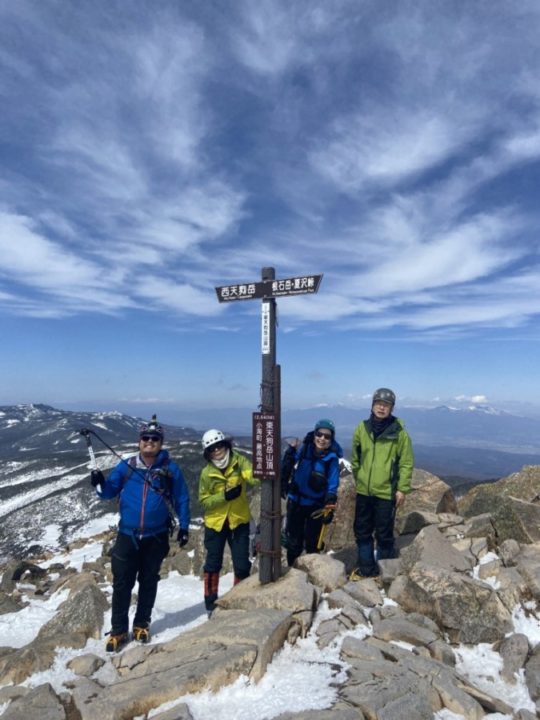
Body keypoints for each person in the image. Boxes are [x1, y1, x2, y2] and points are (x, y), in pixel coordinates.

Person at [90, 415, 190, 651]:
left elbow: (182, 498)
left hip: (156, 535)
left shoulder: (170, 469)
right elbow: (108, 492)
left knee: (148, 580)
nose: (149, 442)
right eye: (146, 438)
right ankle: (118, 631)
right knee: (122, 583)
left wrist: (184, 526)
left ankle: (141, 625)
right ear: (139, 441)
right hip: (128, 535)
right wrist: (99, 483)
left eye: (155, 438)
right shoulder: (127, 466)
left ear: (161, 443)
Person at [351, 388, 413, 579]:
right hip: (364, 491)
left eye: (386, 405)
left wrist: (402, 489)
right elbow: (356, 457)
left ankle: (386, 574)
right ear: (372, 405)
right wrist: (360, 478)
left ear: (391, 408)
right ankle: (366, 570)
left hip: (386, 492)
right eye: (378, 403)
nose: (381, 407)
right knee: (362, 532)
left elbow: (406, 462)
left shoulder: (399, 433)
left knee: (384, 534)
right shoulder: (362, 428)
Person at [199, 429, 259, 616]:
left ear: (226, 445)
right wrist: (224, 496)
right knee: (213, 564)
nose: (217, 450)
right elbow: (204, 501)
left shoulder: (239, 462)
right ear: (207, 453)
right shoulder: (207, 473)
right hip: (215, 524)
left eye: (219, 446)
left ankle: (238, 600)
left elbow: (253, 476)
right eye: (212, 448)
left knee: (242, 565)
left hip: (238, 521)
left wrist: (264, 473)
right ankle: (211, 605)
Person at [281, 419, 342, 567]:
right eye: (319, 434)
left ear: (331, 439)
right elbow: (289, 462)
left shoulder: (332, 459)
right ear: (314, 434)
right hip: (296, 502)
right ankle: (292, 571)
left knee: (312, 543)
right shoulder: (305, 448)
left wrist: (330, 503)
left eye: (327, 436)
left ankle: (311, 572)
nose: (322, 439)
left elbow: (332, 483)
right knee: (294, 542)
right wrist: (290, 454)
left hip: (316, 506)